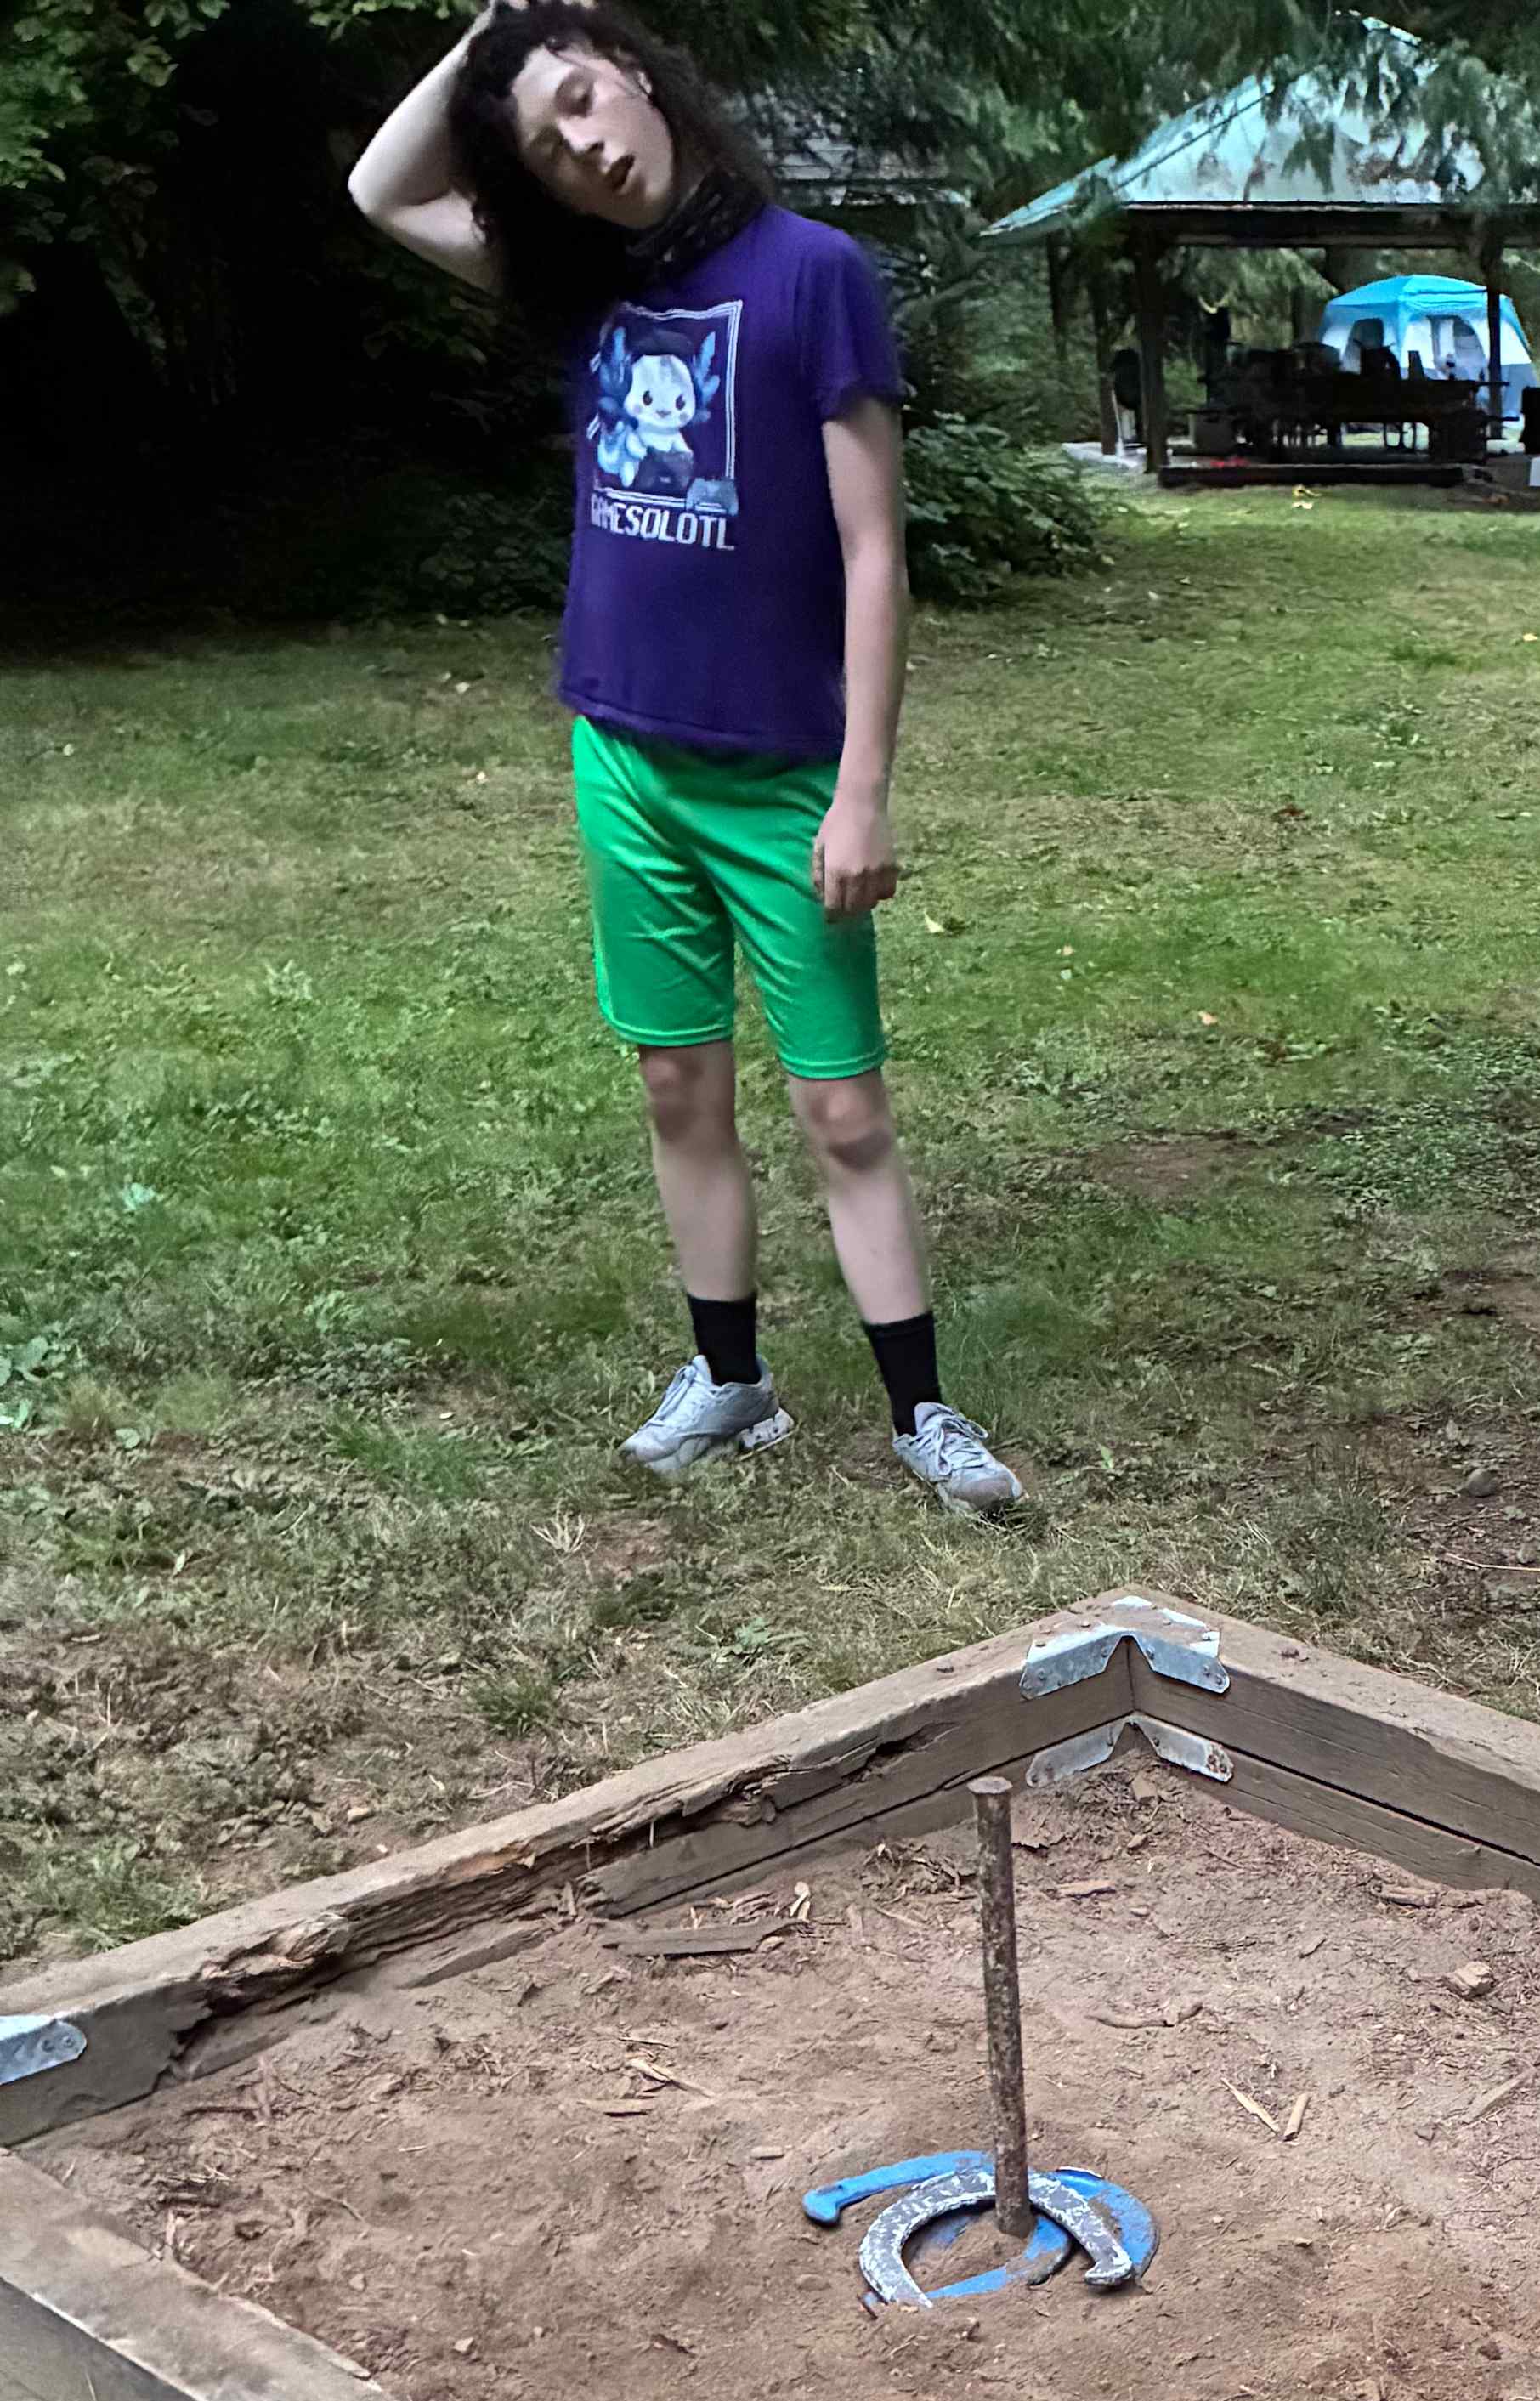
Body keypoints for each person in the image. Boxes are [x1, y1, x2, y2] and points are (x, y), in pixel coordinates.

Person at [349, 3, 1020, 1514]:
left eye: (585, 97)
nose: (582, 144)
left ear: (641, 80)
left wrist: (861, 790)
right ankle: (730, 1378)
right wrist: (493, 38)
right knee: (677, 1083)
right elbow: (379, 194)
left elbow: (871, 555)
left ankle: (922, 1412)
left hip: (784, 778)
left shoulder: (814, 276)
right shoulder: (579, 291)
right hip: (625, 757)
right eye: (546, 141)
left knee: (842, 1107)